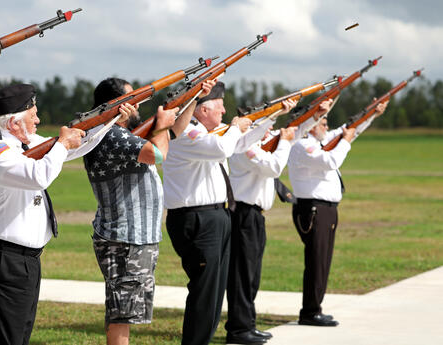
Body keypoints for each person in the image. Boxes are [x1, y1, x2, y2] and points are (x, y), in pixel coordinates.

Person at [0, 83, 106, 345]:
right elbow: (39, 175)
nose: (38, 120)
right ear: (14, 123)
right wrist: (63, 143)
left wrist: (109, 120)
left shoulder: (22, 142)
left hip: (22, 259)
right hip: (5, 259)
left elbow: (75, 146)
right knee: (10, 339)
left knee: (19, 336)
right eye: (33, 115)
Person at [84, 77, 215, 345]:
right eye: (132, 98)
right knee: (123, 312)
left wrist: (192, 98)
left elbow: (172, 134)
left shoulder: (119, 134)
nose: (138, 103)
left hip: (133, 235)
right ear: (115, 104)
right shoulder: (112, 135)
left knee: (124, 310)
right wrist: (163, 123)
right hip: (127, 237)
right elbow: (157, 153)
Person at [163, 81, 276, 345]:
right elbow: (224, 148)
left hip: (216, 215)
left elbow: (236, 145)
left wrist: (264, 121)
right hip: (198, 219)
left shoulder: (207, 134)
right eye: (220, 106)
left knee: (214, 292)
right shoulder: (187, 134)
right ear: (202, 110)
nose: (224, 111)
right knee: (205, 292)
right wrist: (236, 128)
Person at [287, 101, 387, 327]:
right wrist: (347, 141)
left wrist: (371, 114)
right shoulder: (302, 145)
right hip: (314, 209)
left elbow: (347, 130)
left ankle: (314, 308)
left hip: (325, 209)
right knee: (316, 261)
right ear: (310, 125)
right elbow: (332, 160)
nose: (326, 124)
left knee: (323, 261)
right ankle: (310, 312)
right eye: (322, 121)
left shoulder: (319, 141)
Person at [225, 99, 298, 345]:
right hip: (243, 214)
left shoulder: (258, 142)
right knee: (242, 275)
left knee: (252, 275)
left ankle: (248, 324)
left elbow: (295, 131)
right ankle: (238, 329)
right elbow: (274, 167)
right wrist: (285, 142)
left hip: (255, 216)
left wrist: (315, 115)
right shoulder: (243, 146)